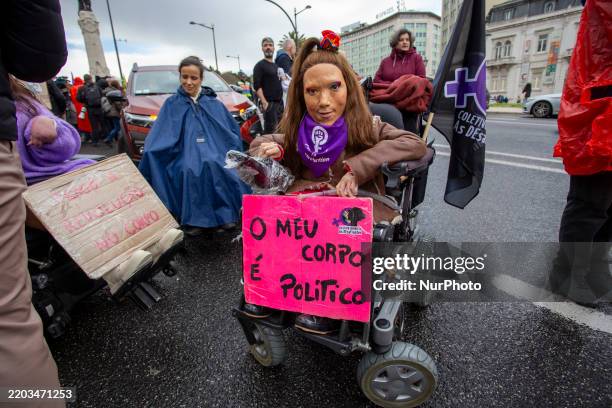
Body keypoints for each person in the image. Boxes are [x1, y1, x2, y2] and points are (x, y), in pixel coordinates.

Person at [247, 31, 427, 333]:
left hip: (356, 202)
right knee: (271, 216)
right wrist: (270, 150)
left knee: (334, 225)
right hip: (308, 201)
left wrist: (357, 167)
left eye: (334, 87)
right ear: (301, 95)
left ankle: (326, 304)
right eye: (313, 91)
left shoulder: (369, 126)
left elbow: (414, 143)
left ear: (349, 88)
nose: (324, 102)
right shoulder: (298, 131)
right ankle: (274, 290)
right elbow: (258, 142)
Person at [1, 1, 67, 404]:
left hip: (44, 173)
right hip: (30, 178)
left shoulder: (32, 106)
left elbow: (68, 144)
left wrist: (53, 134)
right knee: (7, 319)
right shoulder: (22, 102)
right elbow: (42, 51)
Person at [139, 56, 251, 237]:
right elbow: (163, 133)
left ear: (201, 79)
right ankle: (194, 219)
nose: (188, 82)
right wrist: (152, 153)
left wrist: (230, 148)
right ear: (180, 77)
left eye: (193, 78)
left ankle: (225, 215)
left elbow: (229, 131)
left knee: (218, 165)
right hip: (182, 152)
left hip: (216, 150)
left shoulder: (213, 103)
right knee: (188, 169)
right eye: (184, 77)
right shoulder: (171, 104)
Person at [552, 0, 611, 306]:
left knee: (607, 207)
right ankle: (569, 275)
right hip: (601, 113)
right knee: (590, 203)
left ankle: (596, 272)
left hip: (602, 105)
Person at [11, 76, 95, 184]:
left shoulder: (22, 103)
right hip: (36, 182)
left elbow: (66, 144)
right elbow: (60, 99)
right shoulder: (24, 102)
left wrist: (51, 126)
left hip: (41, 180)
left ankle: (92, 138)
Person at [373, 28, 427, 133]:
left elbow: (421, 80)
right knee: (390, 135)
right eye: (401, 40)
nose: (405, 42)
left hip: (408, 105)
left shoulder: (417, 58)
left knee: (409, 136)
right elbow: (376, 81)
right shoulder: (385, 62)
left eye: (407, 39)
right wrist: (396, 86)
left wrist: (400, 87)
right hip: (388, 104)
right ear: (395, 43)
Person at [253, 37, 284, 134]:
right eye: (265, 45)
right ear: (262, 48)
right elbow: (257, 85)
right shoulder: (259, 65)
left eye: (270, 45)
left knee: (281, 131)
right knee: (271, 134)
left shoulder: (276, 66)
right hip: (269, 105)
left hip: (280, 104)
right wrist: (265, 103)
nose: (268, 47)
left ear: (274, 48)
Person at [76, 74, 104, 146]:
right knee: (104, 123)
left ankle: (95, 142)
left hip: (90, 108)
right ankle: (108, 139)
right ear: (91, 78)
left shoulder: (81, 88)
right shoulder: (97, 86)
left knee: (94, 126)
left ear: (84, 80)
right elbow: (102, 95)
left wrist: (85, 101)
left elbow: (78, 99)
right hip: (99, 107)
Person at [103, 78, 125, 146]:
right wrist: (122, 109)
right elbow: (118, 104)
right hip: (115, 112)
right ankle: (108, 139)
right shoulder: (116, 92)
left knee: (117, 127)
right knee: (118, 127)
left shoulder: (108, 91)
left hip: (110, 111)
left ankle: (112, 139)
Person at [70, 76, 93, 142]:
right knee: (89, 122)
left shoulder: (72, 88)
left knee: (82, 123)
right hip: (86, 106)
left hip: (78, 108)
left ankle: (86, 137)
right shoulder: (84, 87)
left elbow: (73, 99)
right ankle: (92, 137)